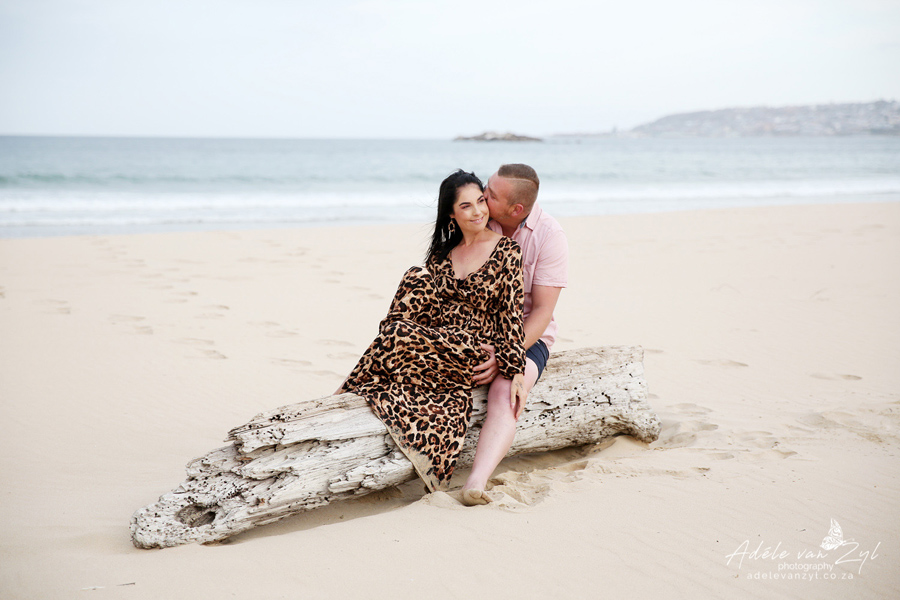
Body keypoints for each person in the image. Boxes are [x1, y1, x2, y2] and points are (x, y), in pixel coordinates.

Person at [339, 169, 527, 500]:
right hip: (433, 347)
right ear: (451, 214)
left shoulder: (506, 251)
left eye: (481, 201)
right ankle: (367, 376)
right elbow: (425, 311)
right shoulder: (442, 254)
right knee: (414, 278)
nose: (478, 211)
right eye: (466, 206)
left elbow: (510, 313)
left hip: (470, 350)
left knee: (397, 332)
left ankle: (346, 389)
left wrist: (515, 369)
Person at [461, 163, 568, 502]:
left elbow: (542, 312)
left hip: (526, 336)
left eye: (491, 195)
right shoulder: (478, 218)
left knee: (504, 392)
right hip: (475, 327)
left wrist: (507, 352)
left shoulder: (549, 236)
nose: (482, 196)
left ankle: (476, 482)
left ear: (516, 209)